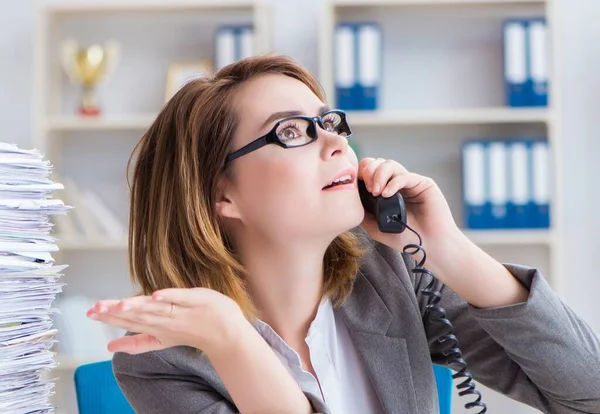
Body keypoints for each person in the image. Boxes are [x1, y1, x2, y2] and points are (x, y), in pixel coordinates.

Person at [86, 54, 600, 414]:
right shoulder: (164, 359)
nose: (334, 142)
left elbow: (589, 392)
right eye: (290, 131)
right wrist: (233, 344)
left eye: (329, 122)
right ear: (221, 196)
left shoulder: (394, 279)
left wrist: (447, 248)